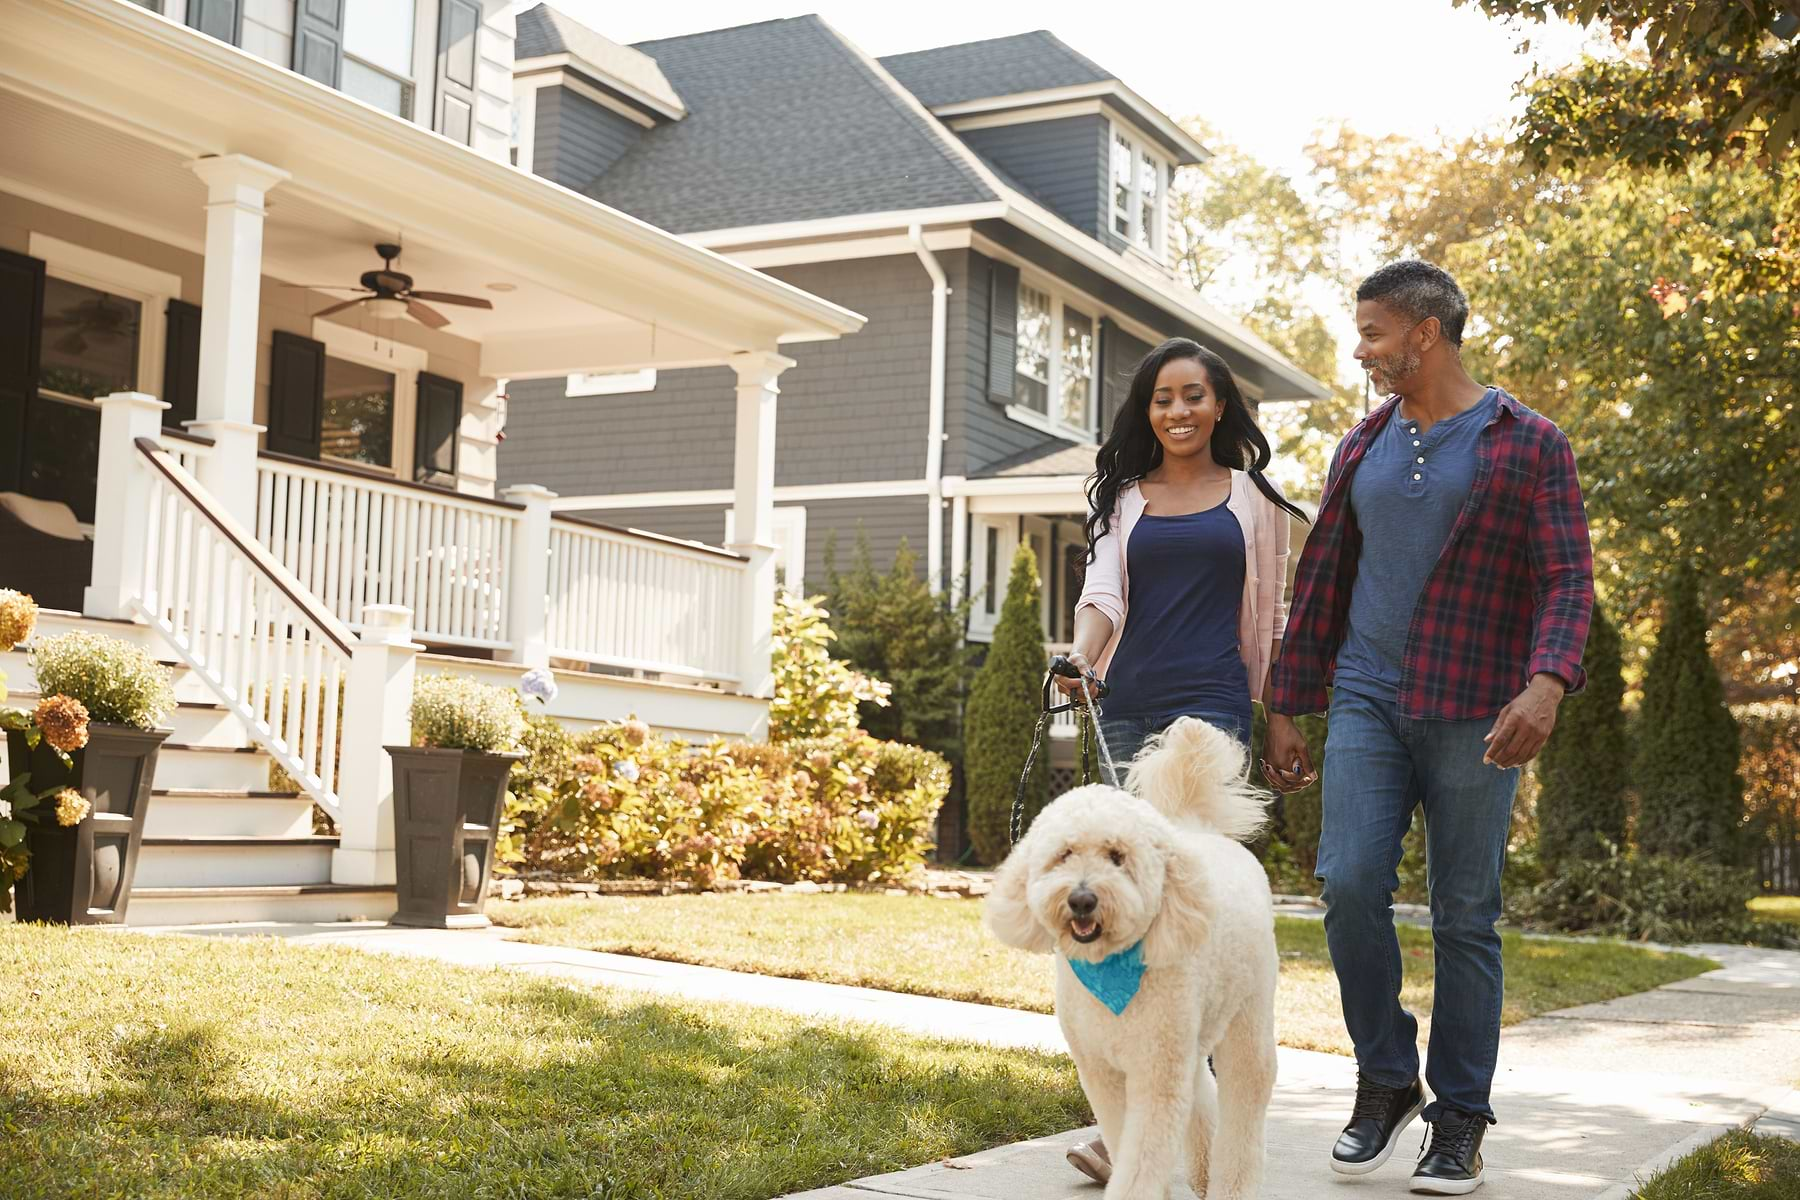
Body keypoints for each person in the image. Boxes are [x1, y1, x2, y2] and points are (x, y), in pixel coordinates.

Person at [1262, 261, 1594, 1195]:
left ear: (1425, 333)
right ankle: (1385, 1078)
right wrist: (1287, 700)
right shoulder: (1361, 442)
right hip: (1368, 697)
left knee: (1464, 916)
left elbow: (1567, 577)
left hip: (1480, 708)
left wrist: (1548, 685)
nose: (1359, 350)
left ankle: (1458, 1119)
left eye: (1371, 333)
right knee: (1350, 884)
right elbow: (1322, 580)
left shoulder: (1528, 442)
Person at [1055, 336, 1308, 1186]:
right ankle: (1135, 1121)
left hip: (1215, 712)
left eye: (1194, 395)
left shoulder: (1253, 500)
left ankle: (1168, 1119)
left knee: (1195, 910)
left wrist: (1279, 717)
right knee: (1126, 911)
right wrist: (1081, 657)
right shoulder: (1124, 499)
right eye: (1163, 398)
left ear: (1222, 404)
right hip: (1129, 706)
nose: (1179, 411)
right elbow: (1101, 597)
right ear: (1147, 409)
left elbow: (1272, 620)